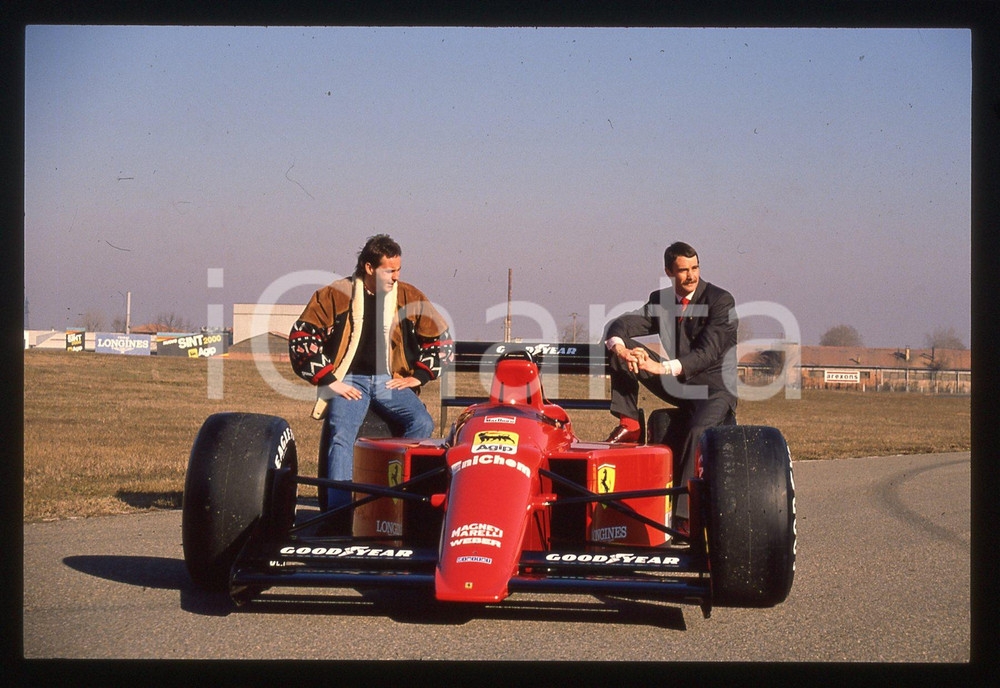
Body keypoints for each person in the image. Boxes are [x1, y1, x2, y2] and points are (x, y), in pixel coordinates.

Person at [288, 234, 453, 511]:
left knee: (423, 424)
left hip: (389, 382)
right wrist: (330, 381)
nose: (395, 277)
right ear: (368, 267)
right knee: (341, 435)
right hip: (349, 381)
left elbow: (441, 339)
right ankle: (338, 515)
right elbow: (302, 337)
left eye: (398, 270)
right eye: (389, 271)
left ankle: (397, 500)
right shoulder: (335, 294)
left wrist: (420, 376)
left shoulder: (408, 296)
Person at [603, 241, 738, 528]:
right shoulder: (661, 300)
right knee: (619, 344)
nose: (691, 276)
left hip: (715, 390)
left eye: (695, 268)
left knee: (696, 430)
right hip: (678, 384)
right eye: (683, 270)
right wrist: (622, 350)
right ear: (668, 271)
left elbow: (707, 354)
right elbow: (621, 325)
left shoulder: (720, 301)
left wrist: (660, 367)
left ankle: (684, 519)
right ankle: (629, 422)